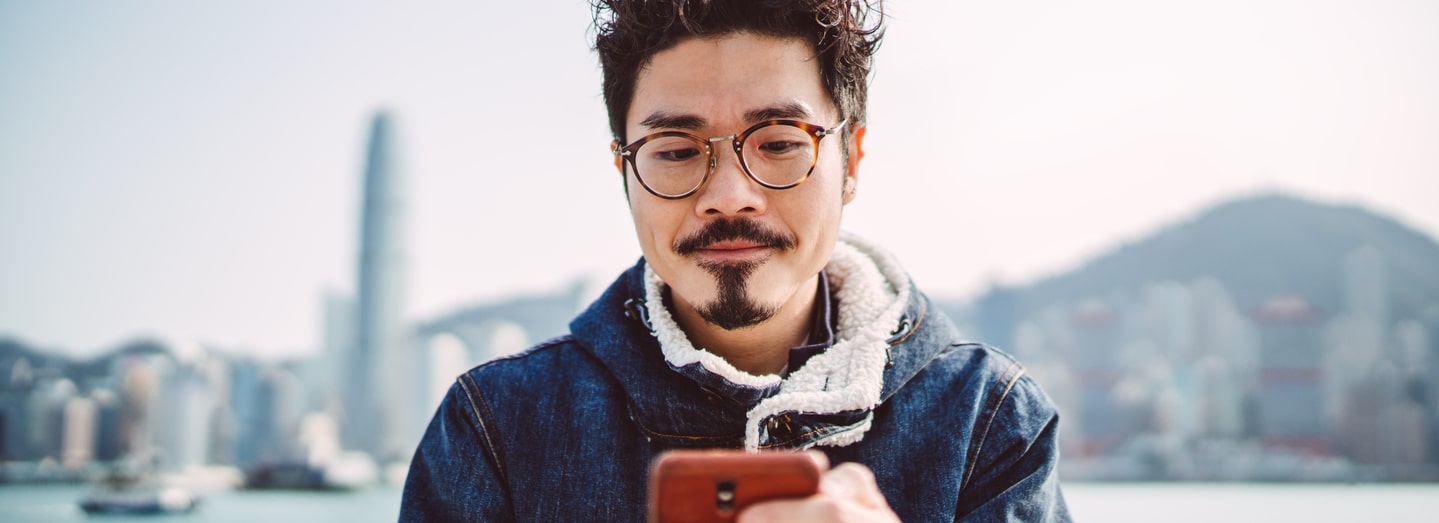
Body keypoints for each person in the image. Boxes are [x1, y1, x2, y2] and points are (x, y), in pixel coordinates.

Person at [401, 1, 1070, 521]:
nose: (727, 197)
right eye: (674, 149)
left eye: (779, 142)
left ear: (852, 161)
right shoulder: (496, 426)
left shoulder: (987, 419)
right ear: (623, 171)